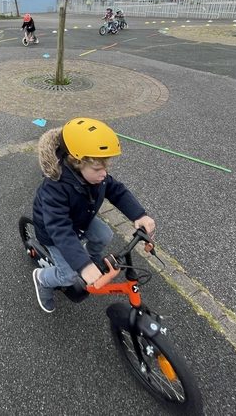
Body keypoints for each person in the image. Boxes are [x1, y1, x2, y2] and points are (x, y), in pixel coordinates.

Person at [31, 117, 155, 313]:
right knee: (69, 275)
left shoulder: (97, 176)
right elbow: (60, 229)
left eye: (106, 168)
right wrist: (82, 265)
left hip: (81, 218)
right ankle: (42, 279)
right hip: (54, 231)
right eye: (98, 169)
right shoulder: (54, 188)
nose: (104, 174)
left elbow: (117, 191)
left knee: (104, 235)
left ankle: (90, 257)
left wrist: (139, 215)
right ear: (77, 162)